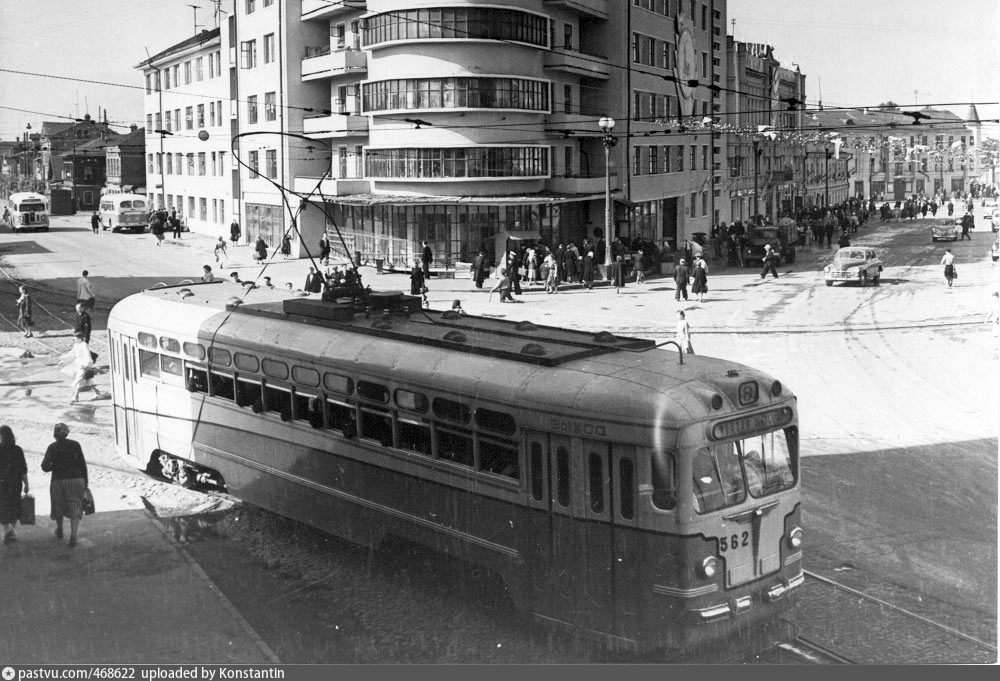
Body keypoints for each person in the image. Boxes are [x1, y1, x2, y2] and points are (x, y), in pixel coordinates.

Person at [40, 423, 88, 548]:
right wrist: (85, 482)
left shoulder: (52, 447)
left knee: (58, 505)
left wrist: (55, 466)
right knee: (75, 507)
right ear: (66, 433)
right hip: (77, 480)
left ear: (55, 435)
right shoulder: (75, 445)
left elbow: (44, 467)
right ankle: (73, 537)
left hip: (59, 481)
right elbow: (83, 464)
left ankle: (60, 530)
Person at [0, 425, 29, 545]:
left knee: (2, 507)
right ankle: (11, 529)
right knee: (14, 506)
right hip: (16, 484)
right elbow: (23, 470)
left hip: (2, 484)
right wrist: (27, 484)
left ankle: (8, 530)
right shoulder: (18, 450)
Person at [61, 333, 101, 403]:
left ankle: (76, 396)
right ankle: (96, 392)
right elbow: (71, 353)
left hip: (84, 364)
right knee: (87, 379)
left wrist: (87, 364)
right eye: (74, 338)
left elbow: (88, 355)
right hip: (78, 364)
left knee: (80, 380)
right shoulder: (76, 345)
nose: (74, 340)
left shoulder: (84, 345)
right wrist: (63, 358)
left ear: (80, 338)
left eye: (75, 338)